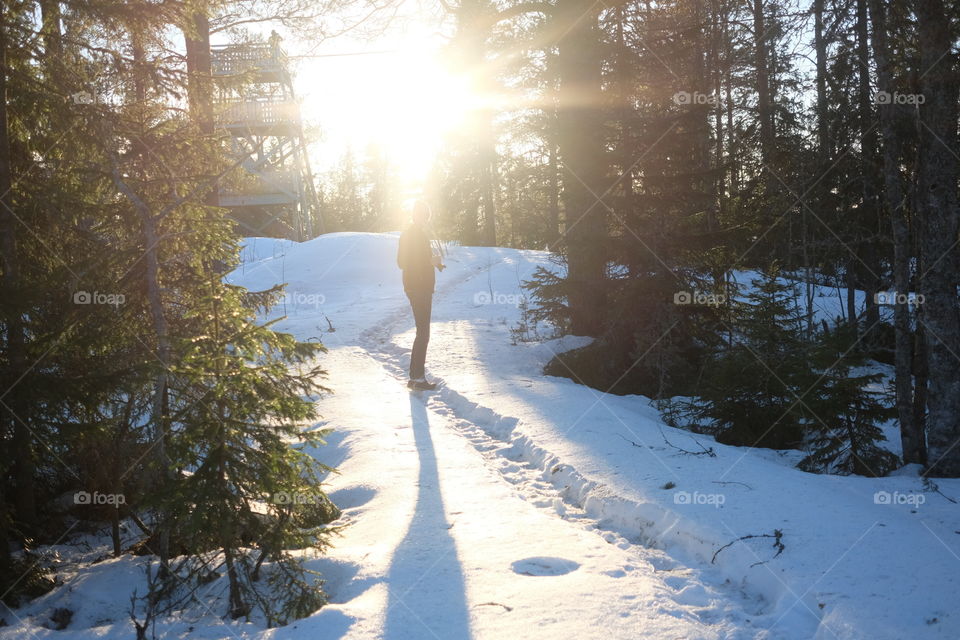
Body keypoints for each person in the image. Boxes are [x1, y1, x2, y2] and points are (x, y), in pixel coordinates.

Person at [397, 201, 445, 390]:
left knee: (422, 332)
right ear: (415, 215)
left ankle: (415, 377)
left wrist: (435, 264)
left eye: (427, 216)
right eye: (423, 215)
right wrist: (428, 262)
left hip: (419, 286)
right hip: (418, 288)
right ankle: (417, 378)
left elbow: (415, 260)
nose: (425, 219)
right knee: (423, 333)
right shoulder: (411, 234)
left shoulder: (417, 234)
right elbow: (403, 262)